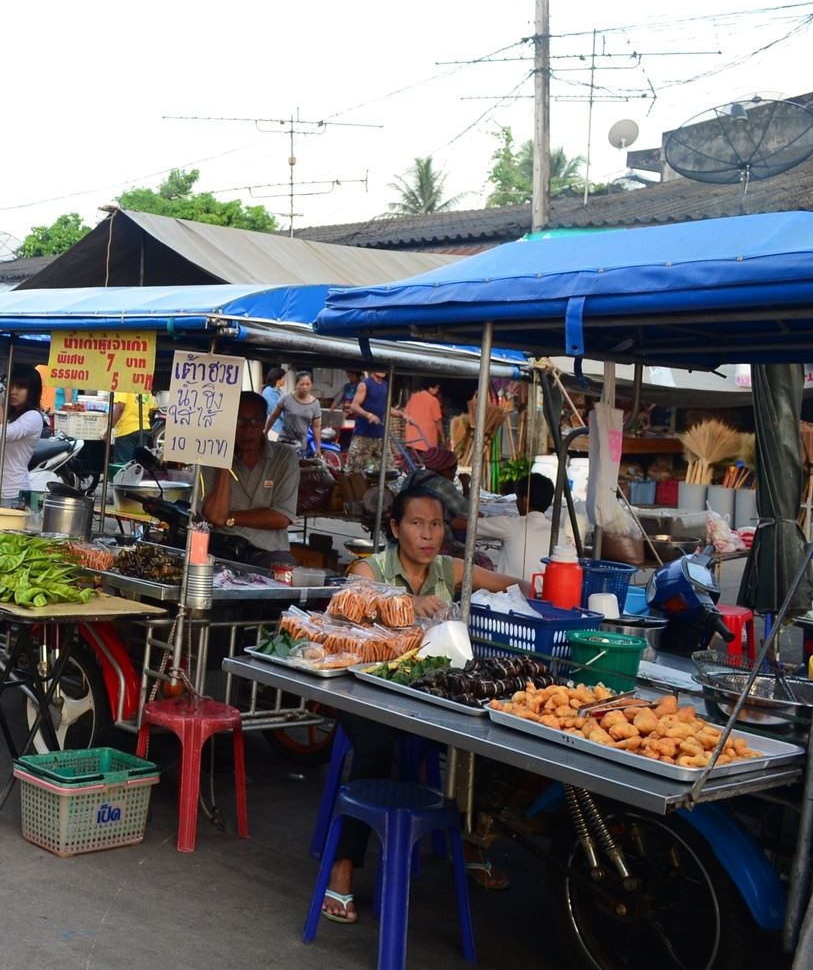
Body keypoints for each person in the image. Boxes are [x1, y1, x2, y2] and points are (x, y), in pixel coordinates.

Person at [321, 483, 527, 924]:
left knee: (491, 740)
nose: (428, 534)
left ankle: (470, 838)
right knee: (376, 751)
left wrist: (545, 588)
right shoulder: (371, 568)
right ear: (396, 528)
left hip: (429, 691)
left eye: (435, 524)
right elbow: (346, 607)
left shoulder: (448, 570)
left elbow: (510, 586)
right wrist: (406, 603)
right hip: (369, 690)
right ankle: (343, 865)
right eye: (417, 523)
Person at [198, 391, 300, 568]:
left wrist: (231, 518)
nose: (247, 429)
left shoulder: (284, 457)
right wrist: (224, 461)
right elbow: (215, 516)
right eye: (239, 421)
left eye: (255, 421)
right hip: (222, 547)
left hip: (268, 551)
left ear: (264, 422)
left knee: (285, 571)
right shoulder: (212, 459)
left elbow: (281, 517)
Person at [475, 473, 571, 582]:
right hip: (543, 591)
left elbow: (468, 525)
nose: (516, 502)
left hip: (512, 591)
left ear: (525, 499)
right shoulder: (559, 534)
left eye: (517, 498)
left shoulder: (512, 525)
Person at [0, 366, 45, 506]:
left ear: (32, 391)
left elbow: (1, 435)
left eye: (21, 387)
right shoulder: (11, 415)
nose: (13, 391)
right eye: (11, 386)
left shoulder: (33, 417)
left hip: (13, 494)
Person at [346, 370, 398, 473]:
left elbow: (386, 408)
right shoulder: (365, 384)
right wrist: (369, 415)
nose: (382, 371)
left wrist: (402, 415)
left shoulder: (386, 385)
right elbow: (354, 406)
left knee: (388, 468)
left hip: (381, 435)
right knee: (356, 469)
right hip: (364, 434)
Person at [266, 370, 323, 453]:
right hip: (284, 444)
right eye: (302, 384)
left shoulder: (315, 403)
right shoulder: (286, 399)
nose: (305, 387)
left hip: (301, 446)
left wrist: (318, 448)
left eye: (308, 384)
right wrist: (265, 433)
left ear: (311, 385)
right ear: (296, 384)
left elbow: (316, 427)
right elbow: (273, 416)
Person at [404, 380, 445, 451]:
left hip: (411, 439)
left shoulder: (414, 397)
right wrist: (443, 436)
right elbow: (438, 421)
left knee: (412, 457)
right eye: (436, 388)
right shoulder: (434, 401)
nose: (437, 390)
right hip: (427, 439)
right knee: (427, 457)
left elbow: (406, 413)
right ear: (429, 387)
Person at [109, 391, 147, 466]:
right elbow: (151, 409)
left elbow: (120, 407)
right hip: (143, 428)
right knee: (137, 465)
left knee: (124, 465)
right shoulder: (144, 387)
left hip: (126, 429)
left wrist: (109, 428)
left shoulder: (124, 387)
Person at [261, 366, 286, 437]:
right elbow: (276, 411)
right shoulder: (268, 392)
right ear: (278, 378)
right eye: (283, 377)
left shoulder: (280, 392)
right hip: (273, 428)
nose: (284, 380)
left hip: (281, 428)